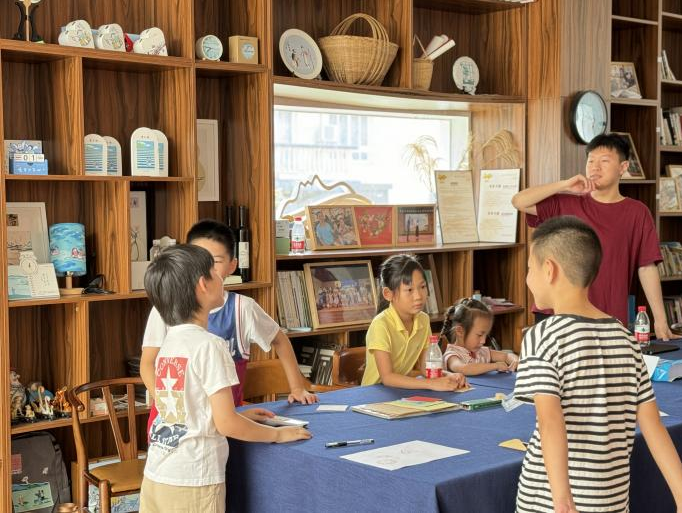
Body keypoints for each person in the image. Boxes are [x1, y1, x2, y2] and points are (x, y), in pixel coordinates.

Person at [514, 216, 682, 513]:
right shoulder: (625, 336)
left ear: (549, 269)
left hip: (548, 503)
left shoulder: (543, 335)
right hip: (611, 501)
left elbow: (550, 422)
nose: (527, 278)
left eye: (529, 269)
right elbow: (652, 424)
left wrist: (563, 501)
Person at [140, 244, 310, 513]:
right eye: (214, 271)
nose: (221, 277)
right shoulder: (211, 346)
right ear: (203, 285)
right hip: (194, 479)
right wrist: (277, 435)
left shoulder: (170, 343)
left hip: (158, 473)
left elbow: (188, 411)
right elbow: (226, 424)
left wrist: (240, 415)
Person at [140, 220, 318, 431]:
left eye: (214, 262)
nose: (205, 270)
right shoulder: (164, 309)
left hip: (227, 422)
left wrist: (297, 388)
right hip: (175, 423)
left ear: (232, 266)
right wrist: (169, 406)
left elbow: (280, 340)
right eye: (198, 259)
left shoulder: (243, 308)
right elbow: (148, 364)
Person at [511, 133, 676, 340]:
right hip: (557, 316)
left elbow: (647, 267)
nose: (595, 167)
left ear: (623, 167)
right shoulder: (566, 203)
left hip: (607, 318)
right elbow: (519, 201)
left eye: (604, 161)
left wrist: (660, 320)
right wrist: (564, 185)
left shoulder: (637, 212)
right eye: (591, 161)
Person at [361, 254, 467, 390]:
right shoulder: (380, 324)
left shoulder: (423, 320)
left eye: (422, 287)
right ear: (388, 294)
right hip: (373, 394)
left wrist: (449, 376)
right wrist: (431, 384)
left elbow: (425, 368)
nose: (418, 296)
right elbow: (387, 377)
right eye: (409, 290)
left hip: (399, 391)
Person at [440, 297, 518, 375]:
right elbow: (464, 368)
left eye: (486, 335)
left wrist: (515, 360)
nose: (483, 341)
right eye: (479, 335)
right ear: (460, 331)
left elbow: (506, 356)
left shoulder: (481, 352)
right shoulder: (451, 355)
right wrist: (495, 366)